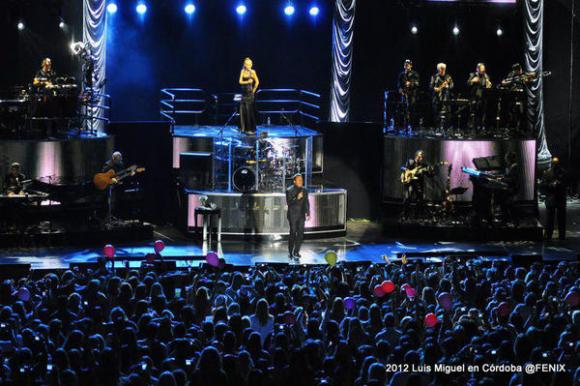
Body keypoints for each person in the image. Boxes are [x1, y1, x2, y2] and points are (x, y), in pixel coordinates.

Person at [401, 150, 435, 219]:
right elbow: (402, 168)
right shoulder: (410, 161)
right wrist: (408, 172)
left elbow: (429, 175)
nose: (422, 158)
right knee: (407, 198)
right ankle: (405, 215)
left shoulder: (424, 166)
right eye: (420, 156)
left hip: (419, 185)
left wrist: (432, 171)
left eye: (422, 157)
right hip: (411, 183)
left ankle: (416, 216)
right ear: (416, 156)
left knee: (420, 200)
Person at [540, 156, 568, 240]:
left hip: (558, 197)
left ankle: (560, 235)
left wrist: (559, 184)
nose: (555, 166)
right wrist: (551, 185)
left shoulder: (562, 173)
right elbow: (543, 185)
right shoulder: (548, 173)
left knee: (560, 218)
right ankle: (549, 235)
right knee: (550, 218)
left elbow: (566, 184)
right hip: (552, 197)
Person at [285, 174, 310, 260]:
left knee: (300, 234)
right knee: (293, 233)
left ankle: (296, 251)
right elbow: (289, 203)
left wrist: (308, 213)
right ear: (294, 181)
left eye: (301, 180)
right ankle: (290, 252)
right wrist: (297, 197)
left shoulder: (304, 190)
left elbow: (306, 202)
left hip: (301, 215)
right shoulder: (289, 190)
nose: (301, 181)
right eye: (299, 180)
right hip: (292, 215)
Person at [467, 63, 492, 132]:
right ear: (477, 69)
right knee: (473, 113)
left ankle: (481, 128)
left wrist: (489, 85)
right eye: (481, 68)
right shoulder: (473, 75)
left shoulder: (486, 76)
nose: (483, 70)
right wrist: (472, 81)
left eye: (484, 69)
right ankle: (473, 128)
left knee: (482, 113)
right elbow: (468, 84)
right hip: (474, 97)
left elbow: (488, 85)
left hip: (483, 97)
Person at [397, 59, 420, 129]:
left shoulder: (415, 74)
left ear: (411, 66)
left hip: (412, 94)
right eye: (405, 64)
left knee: (411, 109)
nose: (406, 65)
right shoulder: (401, 74)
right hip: (404, 94)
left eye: (408, 64)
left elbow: (417, 83)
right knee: (403, 109)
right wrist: (400, 89)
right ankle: (404, 125)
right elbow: (398, 84)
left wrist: (410, 84)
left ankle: (412, 126)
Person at [239, 57, 260, 135]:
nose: (249, 66)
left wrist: (253, 91)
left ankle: (250, 129)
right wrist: (247, 81)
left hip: (250, 94)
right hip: (243, 94)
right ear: (245, 65)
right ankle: (243, 128)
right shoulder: (242, 71)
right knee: (242, 111)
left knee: (249, 111)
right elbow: (240, 81)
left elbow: (257, 82)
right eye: (247, 65)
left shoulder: (253, 72)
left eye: (250, 64)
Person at [430, 63, 454, 129]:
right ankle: (437, 128)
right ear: (438, 69)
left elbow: (452, 86)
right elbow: (430, 86)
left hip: (446, 98)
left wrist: (447, 86)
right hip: (436, 98)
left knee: (447, 113)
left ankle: (446, 128)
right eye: (441, 69)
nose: (443, 70)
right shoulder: (434, 77)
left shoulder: (448, 77)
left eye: (444, 69)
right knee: (436, 113)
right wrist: (435, 88)